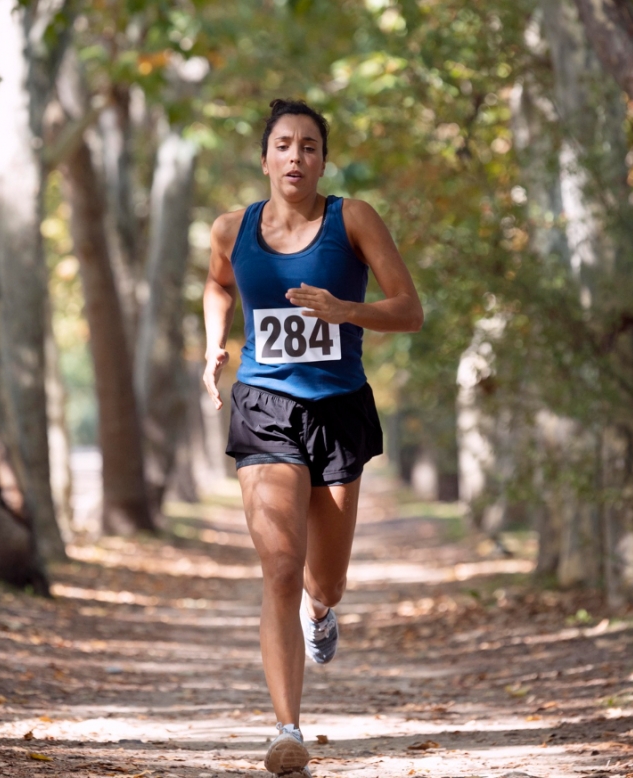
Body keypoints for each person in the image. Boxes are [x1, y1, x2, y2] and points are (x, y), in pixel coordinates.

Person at [202, 98, 424, 777]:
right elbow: (218, 285)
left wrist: (344, 310)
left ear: (323, 160)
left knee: (324, 579)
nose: (296, 156)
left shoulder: (351, 220)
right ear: (265, 158)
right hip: (266, 405)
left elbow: (409, 310)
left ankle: (321, 610)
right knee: (277, 566)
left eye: (310, 147)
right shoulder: (231, 228)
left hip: (340, 408)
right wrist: (212, 348)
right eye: (285, 145)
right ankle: (285, 729)